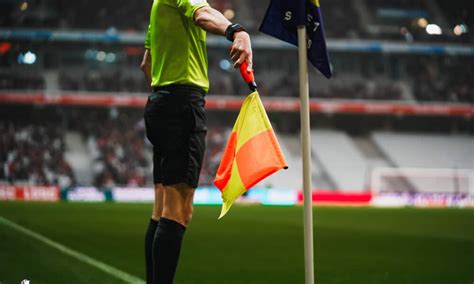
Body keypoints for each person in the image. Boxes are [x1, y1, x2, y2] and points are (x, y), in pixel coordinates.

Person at [140, 0, 253, 283]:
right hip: (182, 104)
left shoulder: (157, 7)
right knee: (179, 211)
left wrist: (164, 94)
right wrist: (236, 31)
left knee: (161, 210)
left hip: (160, 102)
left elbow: (146, 64)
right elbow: (203, 14)